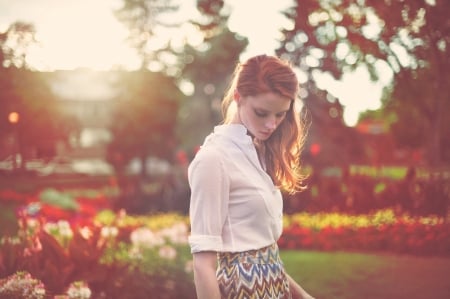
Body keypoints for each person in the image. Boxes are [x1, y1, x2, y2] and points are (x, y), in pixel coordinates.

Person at [188, 54, 315, 299]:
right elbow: (203, 265)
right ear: (238, 97)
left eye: (280, 115)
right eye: (262, 113)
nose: (271, 124)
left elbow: (264, 258)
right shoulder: (214, 159)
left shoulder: (258, 153)